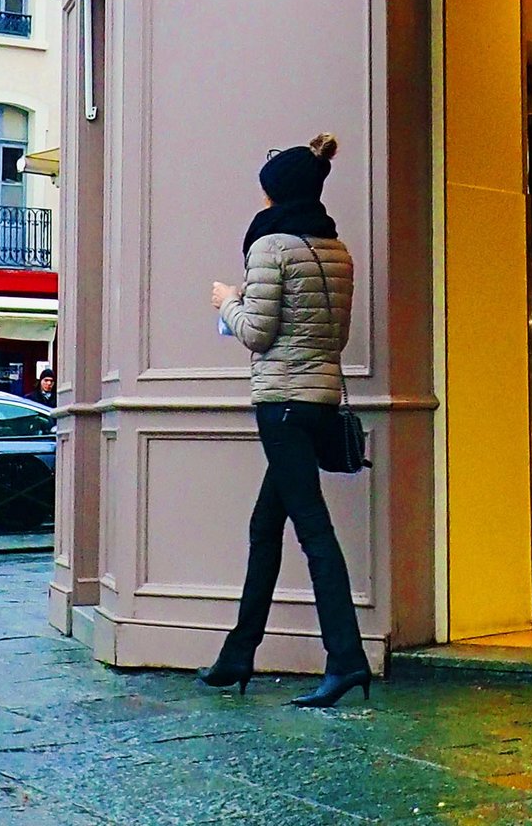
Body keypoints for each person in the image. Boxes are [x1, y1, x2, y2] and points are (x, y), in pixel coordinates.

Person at [198, 132, 371, 708]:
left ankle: (345, 659)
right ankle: (238, 654)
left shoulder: (271, 248)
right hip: (319, 400)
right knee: (264, 525)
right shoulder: (337, 250)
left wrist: (227, 299)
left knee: (313, 532)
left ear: (277, 195)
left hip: (283, 406)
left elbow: (256, 332)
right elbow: (336, 336)